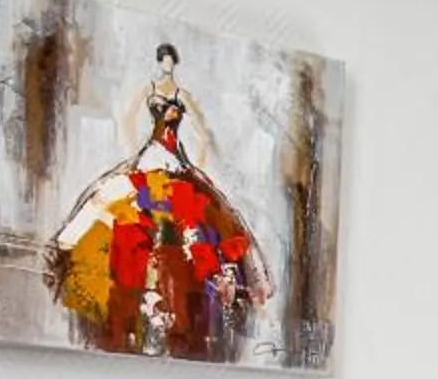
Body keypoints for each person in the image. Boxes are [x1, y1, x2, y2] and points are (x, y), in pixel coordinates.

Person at [47, 43, 271, 358]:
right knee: (121, 199)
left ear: (174, 63)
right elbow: (128, 118)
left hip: (175, 157)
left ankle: (191, 293)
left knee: (198, 211)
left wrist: (195, 163)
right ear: (159, 62)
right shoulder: (150, 89)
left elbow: (203, 132)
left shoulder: (181, 94)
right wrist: (134, 152)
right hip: (151, 152)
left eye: (170, 61)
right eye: (164, 60)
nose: (167, 65)